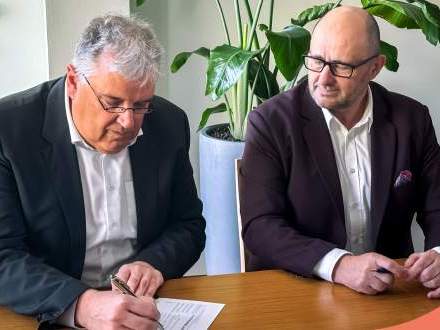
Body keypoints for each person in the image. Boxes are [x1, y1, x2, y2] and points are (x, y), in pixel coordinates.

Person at [0, 14, 205, 329]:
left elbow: (188, 225)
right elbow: (4, 256)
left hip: (143, 310)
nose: (128, 122)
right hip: (46, 313)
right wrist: (81, 304)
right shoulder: (9, 130)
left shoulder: (168, 123)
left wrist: (153, 263)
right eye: (112, 103)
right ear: (72, 81)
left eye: (140, 105)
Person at [240, 6, 440, 298]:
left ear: (375, 67)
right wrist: (339, 265)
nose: (323, 78)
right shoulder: (270, 122)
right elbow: (260, 226)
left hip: (391, 293)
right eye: (316, 61)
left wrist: (437, 253)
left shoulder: (411, 119)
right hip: (299, 290)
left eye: (341, 66)